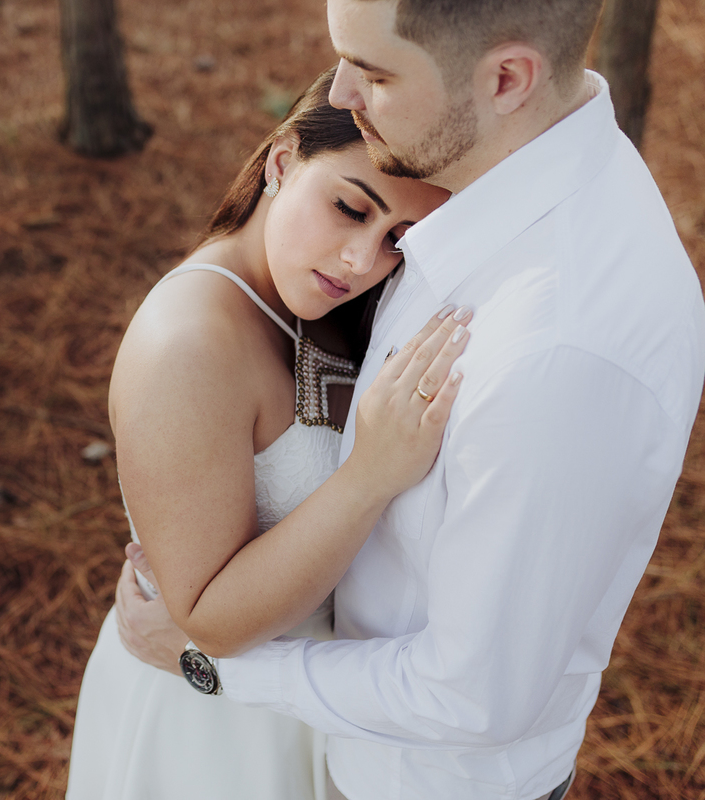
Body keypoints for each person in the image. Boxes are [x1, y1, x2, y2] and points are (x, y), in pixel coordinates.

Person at [114, 1, 705, 799]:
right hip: (274, 744)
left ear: (506, 79)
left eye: (378, 72)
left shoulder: (558, 345)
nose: (341, 92)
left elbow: (473, 695)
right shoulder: (470, 189)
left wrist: (219, 669)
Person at [66, 67, 458, 800]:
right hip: (209, 741)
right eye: (349, 208)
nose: (361, 261)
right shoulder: (186, 345)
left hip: (323, 704)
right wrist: (370, 476)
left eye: (398, 239)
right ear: (282, 161)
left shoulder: (321, 301)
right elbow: (208, 619)